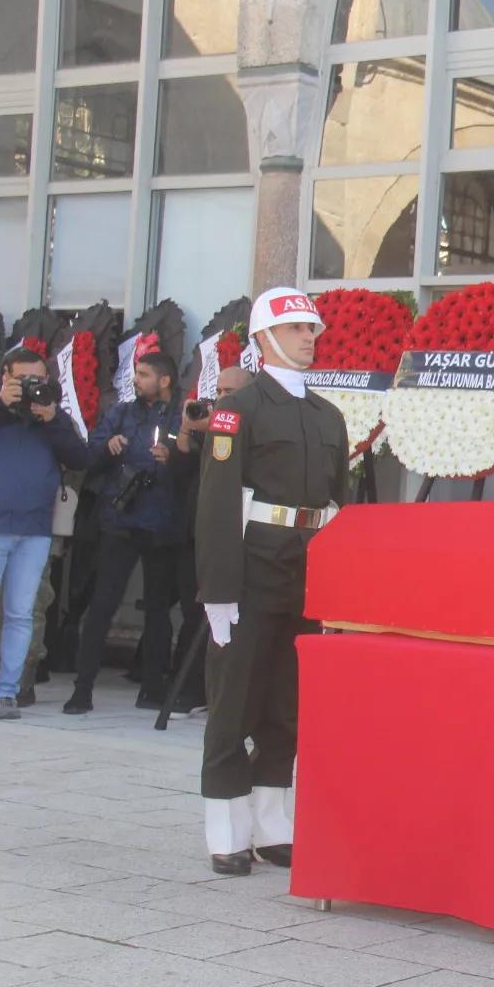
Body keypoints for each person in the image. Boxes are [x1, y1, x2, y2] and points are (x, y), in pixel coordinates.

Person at [196, 289, 348, 876]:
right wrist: (218, 591)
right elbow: (215, 504)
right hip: (252, 567)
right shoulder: (242, 410)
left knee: (287, 706)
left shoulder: (326, 415)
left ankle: (271, 826)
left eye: (312, 328)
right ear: (263, 340)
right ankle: (227, 833)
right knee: (234, 702)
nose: (309, 337)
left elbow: (341, 504)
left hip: (306, 570)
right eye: (295, 329)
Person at [66, 352, 185, 713]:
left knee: (158, 610)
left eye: (144, 374)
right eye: (137, 372)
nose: (136, 379)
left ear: (164, 380)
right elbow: (89, 455)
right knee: (103, 604)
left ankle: (151, 688)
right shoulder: (122, 412)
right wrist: (108, 446)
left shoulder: (183, 414)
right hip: (120, 520)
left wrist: (174, 457)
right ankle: (82, 689)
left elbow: (198, 464)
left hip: (163, 525)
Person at [0, 349, 88, 719]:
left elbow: (82, 459)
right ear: (5, 377)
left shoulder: (53, 418)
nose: (30, 387)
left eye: (37, 380)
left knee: (21, 614)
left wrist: (52, 418)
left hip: (34, 530)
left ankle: (7, 691)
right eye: (23, 380)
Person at [166, 365, 255, 716]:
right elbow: (182, 461)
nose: (221, 399)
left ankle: (215, 695)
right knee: (193, 614)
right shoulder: (213, 427)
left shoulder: (248, 425)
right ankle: (189, 689)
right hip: (196, 534)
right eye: (217, 391)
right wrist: (188, 428)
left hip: (237, 538)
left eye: (229, 392)